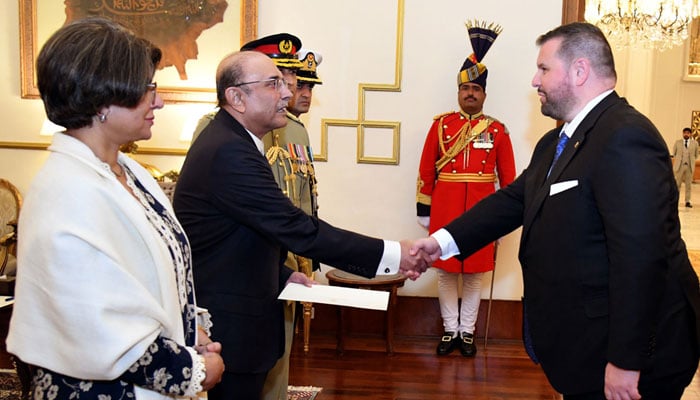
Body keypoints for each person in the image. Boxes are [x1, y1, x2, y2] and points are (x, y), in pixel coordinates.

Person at [410, 22, 700, 399]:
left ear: (580, 71)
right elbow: (513, 200)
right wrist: (441, 242)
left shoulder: (626, 136)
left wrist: (627, 362)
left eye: (544, 69)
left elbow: (641, 257)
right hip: (588, 343)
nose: (534, 80)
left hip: (636, 354)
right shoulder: (556, 141)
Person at [173, 50, 428, 400]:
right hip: (229, 329)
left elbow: (236, 235)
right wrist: (394, 254)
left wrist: (281, 274)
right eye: (273, 84)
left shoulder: (236, 142)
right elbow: (297, 228)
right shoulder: (228, 151)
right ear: (236, 97)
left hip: (242, 320)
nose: (286, 93)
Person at [6, 17, 224, 399]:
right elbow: (100, 328)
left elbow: (154, 278)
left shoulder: (127, 170)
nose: (159, 100)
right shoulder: (67, 192)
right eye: (147, 88)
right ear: (102, 99)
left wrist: (189, 331)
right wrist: (195, 370)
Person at [416, 21, 515, 357]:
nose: (470, 94)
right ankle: (449, 331)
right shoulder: (441, 126)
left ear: (484, 94)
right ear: (458, 92)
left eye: (476, 89)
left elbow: (510, 179)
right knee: (445, 273)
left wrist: (505, 219)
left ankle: (467, 332)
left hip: (484, 210)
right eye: (465, 89)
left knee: (474, 275)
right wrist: (424, 210)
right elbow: (426, 168)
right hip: (444, 207)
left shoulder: (498, 130)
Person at [260, 46, 324, 400]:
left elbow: (304, 196)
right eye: (282, 83)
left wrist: (307, 254)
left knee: (282, 348)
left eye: (294, 84)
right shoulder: (222, 131)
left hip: (288, 259)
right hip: (249, 262)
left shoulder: (296, 132)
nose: (290, 92)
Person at [672, 127, 698, 208]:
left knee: (688, 185)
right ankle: (675, 201)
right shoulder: (678, 142)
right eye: (685, 133)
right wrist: (680, 160)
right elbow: (674, 153)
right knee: (677, 184)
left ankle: (687, 201)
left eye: (688, 133)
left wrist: (691, 161)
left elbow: (696, 155)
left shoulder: (695, 143)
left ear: (690, 134)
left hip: (689, 167)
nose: (686, 134)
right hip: (680, 166)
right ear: (683, 133)